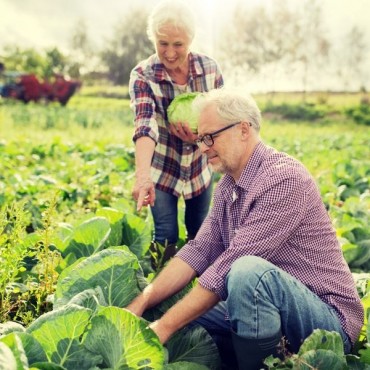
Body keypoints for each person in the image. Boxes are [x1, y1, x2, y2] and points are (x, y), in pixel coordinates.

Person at [126, 87, 364, 369]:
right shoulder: (228, 185)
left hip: (326, 320)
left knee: (246, 271)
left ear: (243, 129)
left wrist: (164, 328)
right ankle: (254, 352)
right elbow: (198, 251)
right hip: (264, 308)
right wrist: (142, 301)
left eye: (210, 137)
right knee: (169, 303)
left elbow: (231, 264)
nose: (203, 147)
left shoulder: (283, 179)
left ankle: (257, 363)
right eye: (201, 138)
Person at [129, 0, 224, 265]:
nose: (169, 53)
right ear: (153, 39)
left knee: (199, 233)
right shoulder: (142, 75)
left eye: (178, 44)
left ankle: (196, 291)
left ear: (191, 39)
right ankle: (162, 293)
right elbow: (144, 124)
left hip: (199, 167)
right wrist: (143, 176)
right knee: (166, 236)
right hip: (163, 169)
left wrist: (199, 138)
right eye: (162, 43)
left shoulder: (210, 70)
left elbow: (224, 118)